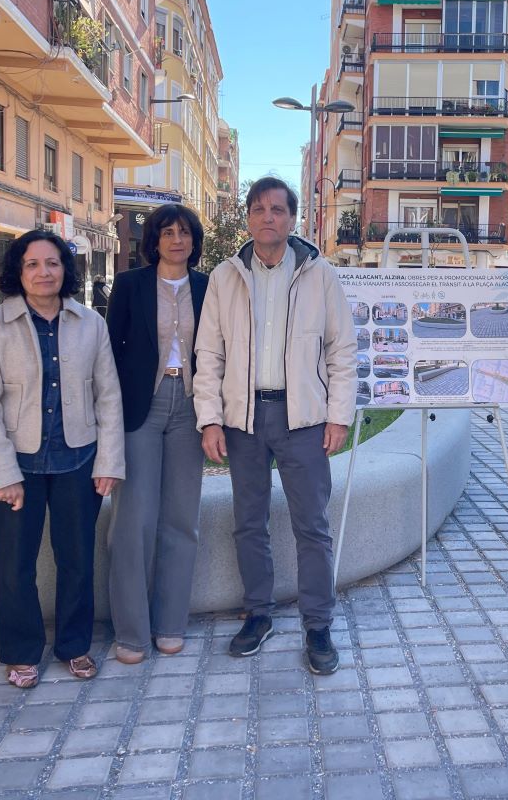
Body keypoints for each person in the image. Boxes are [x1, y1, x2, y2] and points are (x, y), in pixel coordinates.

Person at [193, 177, 356, 675]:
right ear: (248, 217)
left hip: (302, 419)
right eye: (259, 209)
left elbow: (341, 350)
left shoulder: (319, 274)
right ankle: (257, 614)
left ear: (292, 218)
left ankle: (318, 624)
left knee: (312, 525)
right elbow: (209, 352)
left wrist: (339, 416)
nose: (269, 217)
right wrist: (210, 419)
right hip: (243, 420)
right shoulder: (225, 277)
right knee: (248, 522)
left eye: (278, 210)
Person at [0, 230, 124, 689]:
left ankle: (74, 646)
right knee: (15, 563)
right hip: (17, 465)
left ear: (65, 269)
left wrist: (109, 461)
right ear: (18, 271)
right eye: (32, 264)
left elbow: (108, 396)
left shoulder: (90, 323)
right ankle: (20, 651)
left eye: (52, 263)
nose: (43, 272)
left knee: (77, 559)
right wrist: (1, 473)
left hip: (78, 460)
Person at [106, 204, 209, 664]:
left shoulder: (209, 288)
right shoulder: (129, 286)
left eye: (184, 232)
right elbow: (110, 353)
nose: (176, 240)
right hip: (140, 408)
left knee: (181, 519)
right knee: (133, 520)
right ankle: (131, 632)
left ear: (193, 241)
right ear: (154, 240)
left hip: (190, 408)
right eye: (167, 232)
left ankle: (171, 623)